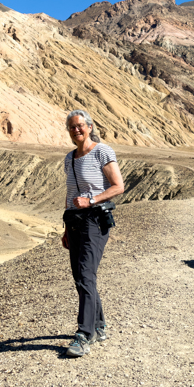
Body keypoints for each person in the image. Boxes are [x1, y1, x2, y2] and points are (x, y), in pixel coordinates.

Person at [61, 109, 124, 357]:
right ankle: (99, 325)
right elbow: (69, 196)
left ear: (89, 126)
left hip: (95, 221)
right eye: (71, 127)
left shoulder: (102, 151)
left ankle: (84, 335)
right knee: (80, 277)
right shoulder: (69, 158)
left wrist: (92, 200)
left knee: (86, 275)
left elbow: (118, 186)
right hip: (74, 222)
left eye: (80, 125)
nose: (76, 130)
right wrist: (66, 229)